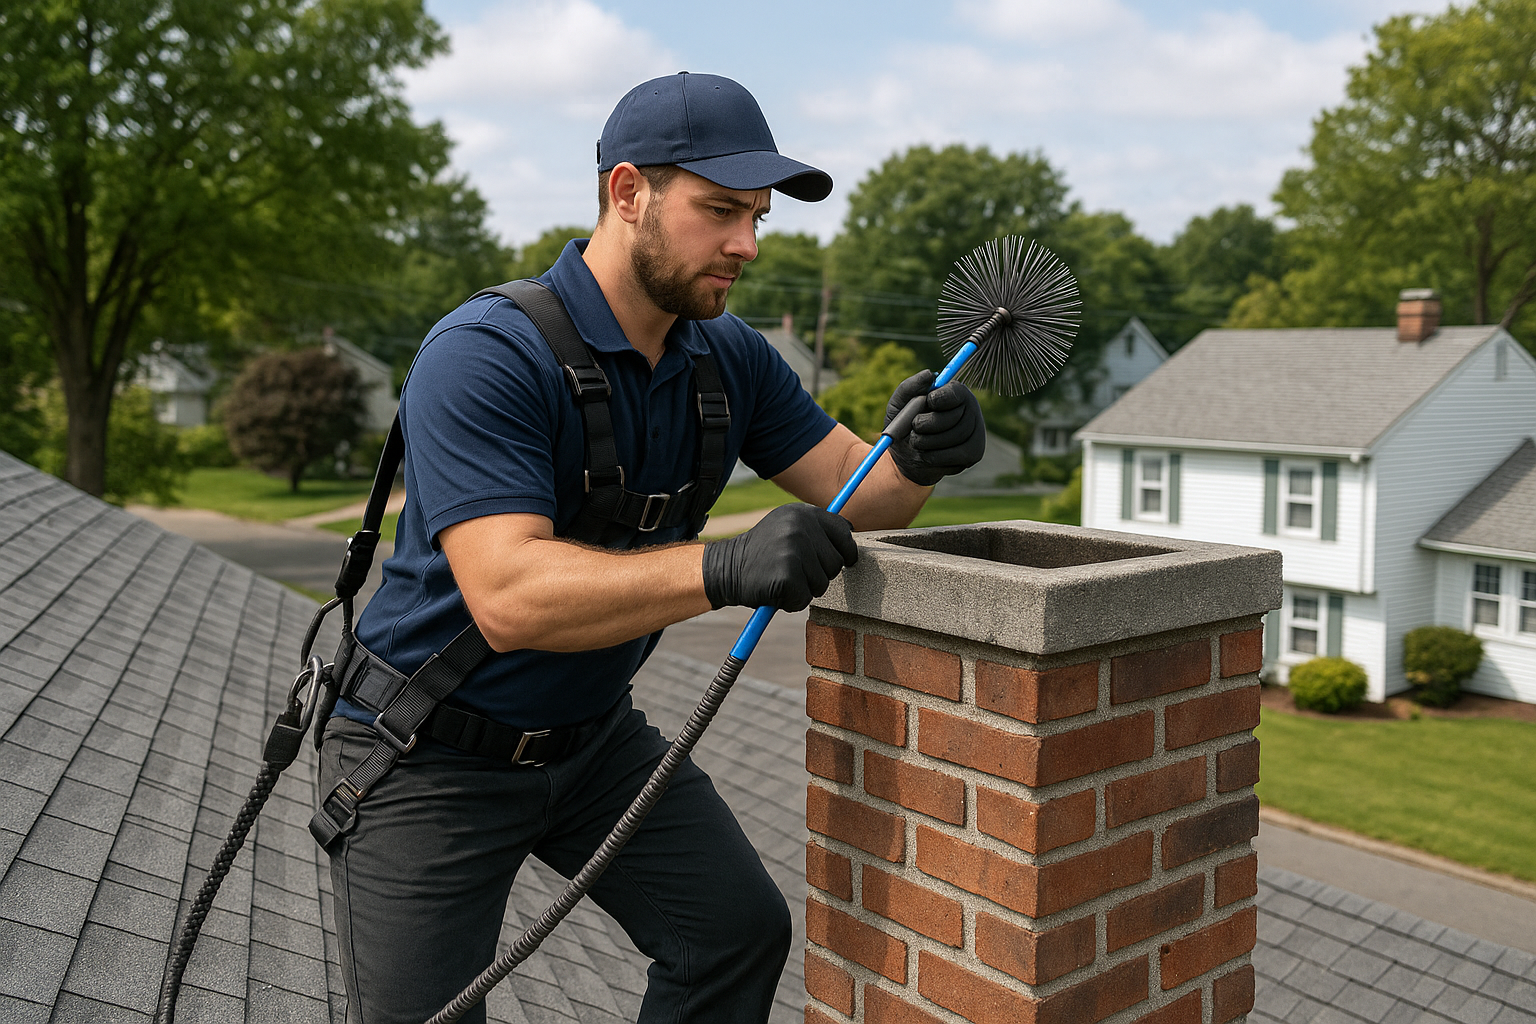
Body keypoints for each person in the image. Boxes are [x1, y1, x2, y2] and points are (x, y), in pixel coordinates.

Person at [317, 72, 986, 1024]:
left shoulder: (728, 359)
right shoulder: (488, 353)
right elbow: (508, 593)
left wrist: (918, 454)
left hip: (592, 747)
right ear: (627, 193)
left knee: (732, 935)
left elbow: (862, 491)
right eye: (720, 211)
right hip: (427, 753)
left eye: (757, 217)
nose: (747, 245)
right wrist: (722, 565)